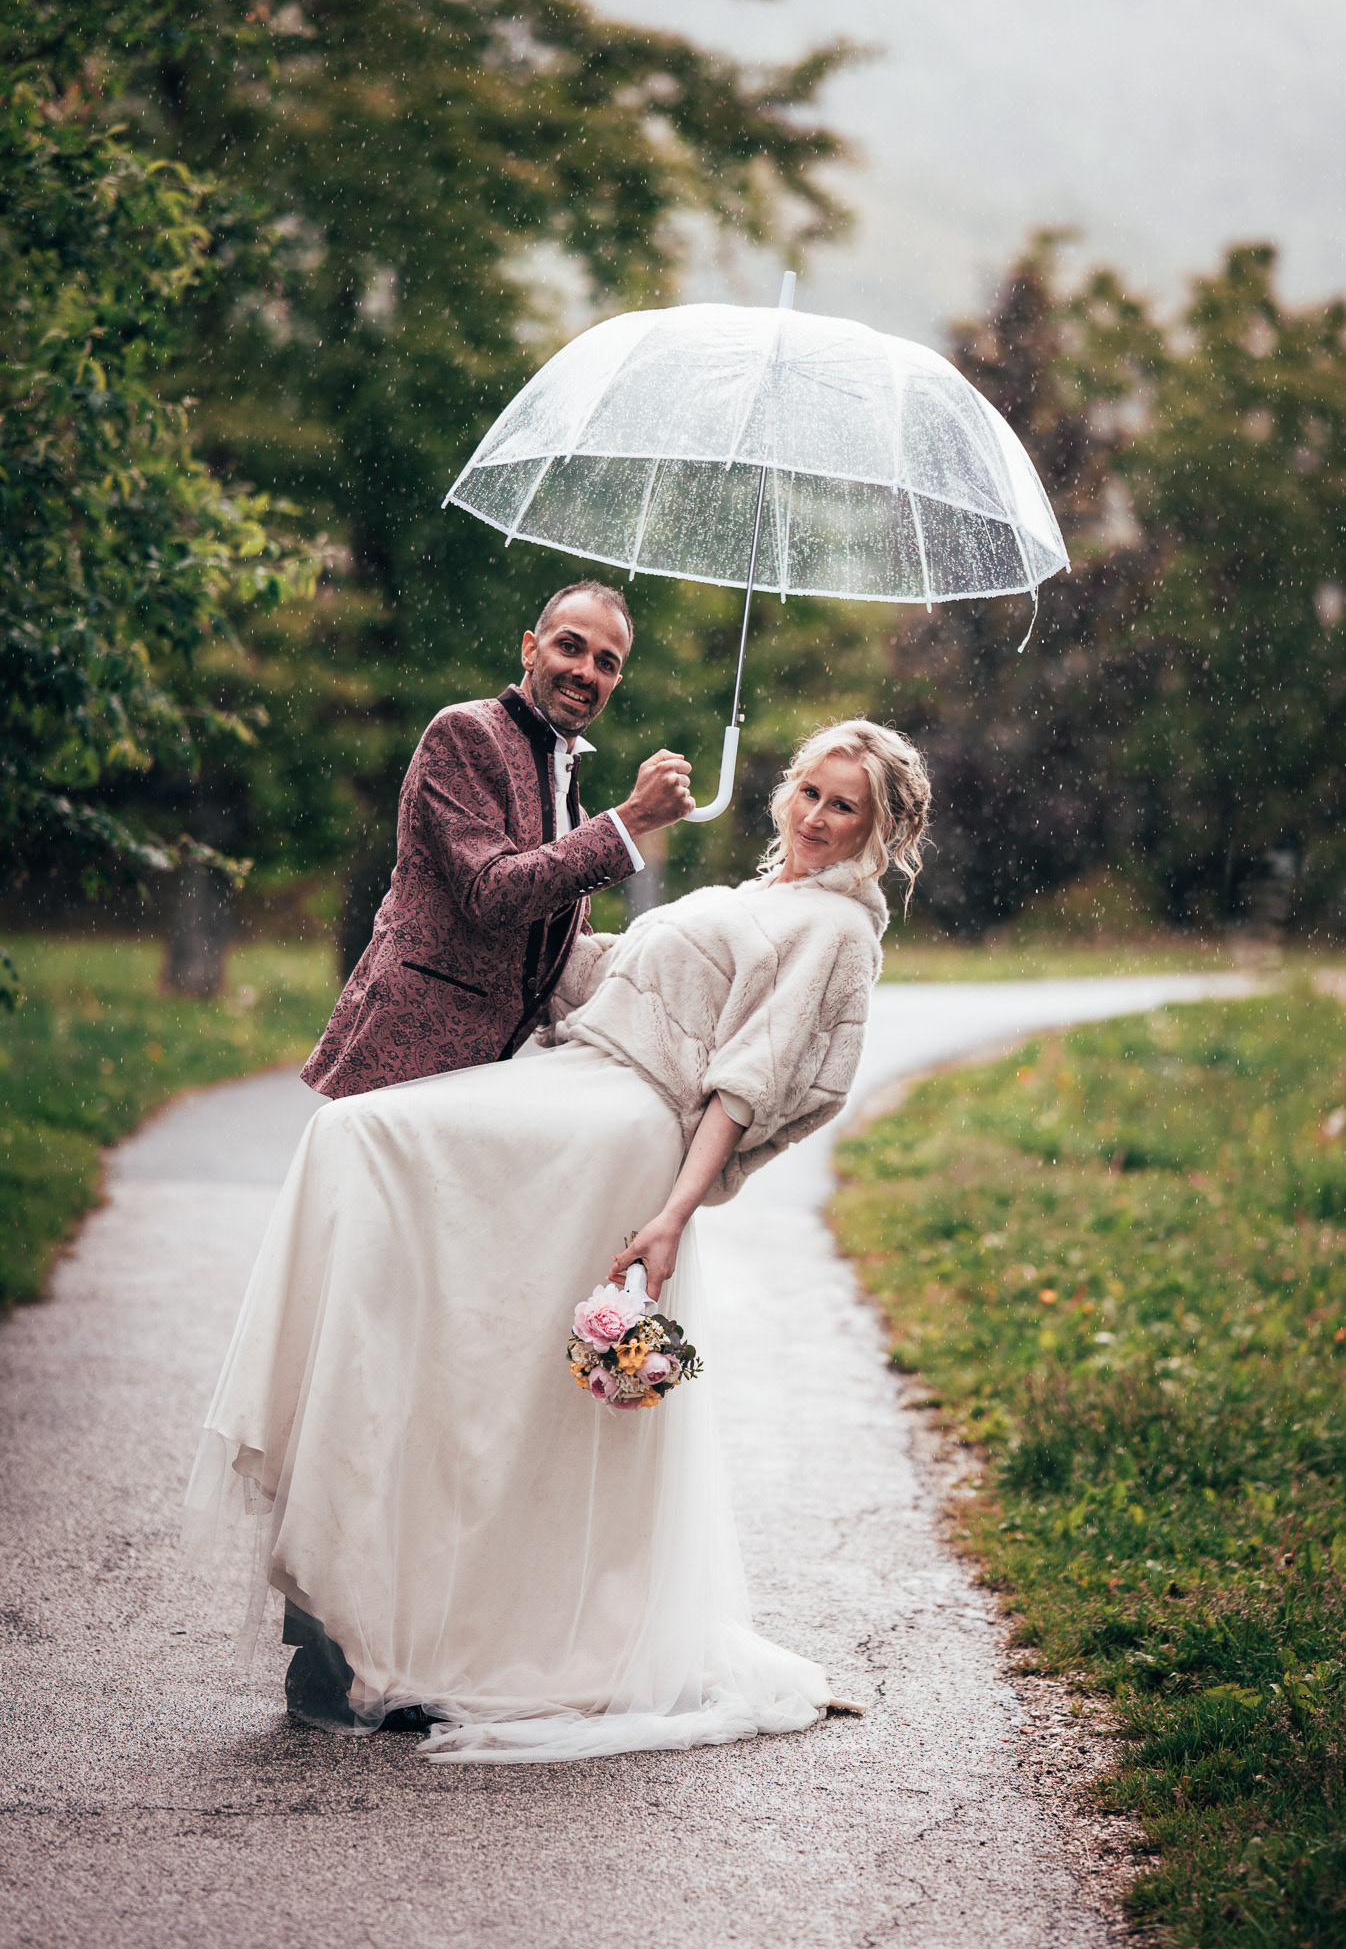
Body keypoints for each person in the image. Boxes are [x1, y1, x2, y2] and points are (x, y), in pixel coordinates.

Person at [185, 718, 931, 1763]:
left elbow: (746, 1080)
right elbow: (600, 976)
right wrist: (514, 872)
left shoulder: (838, 930)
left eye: (843, 805)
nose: (815, 815)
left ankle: (480, 1627)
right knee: (466, 1325)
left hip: (624, 1125)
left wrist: (671, 1214)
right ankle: (390, 1582)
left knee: (366, 1139)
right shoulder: (760, 896)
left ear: (881, 829)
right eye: (808, 790)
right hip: (579, 1078)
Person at [301, 578, 695, 1099]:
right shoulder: (464, 733)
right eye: (570, 646)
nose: (585, 671)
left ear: (615, 682)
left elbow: (554, 945)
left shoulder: (568, 794)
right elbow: (492, 893)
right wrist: (631, 819)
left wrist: (676, 971)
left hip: (483, 1078)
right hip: (403, 1057)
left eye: (606, 662)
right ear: (530, 650)